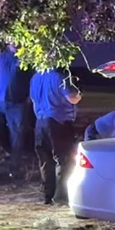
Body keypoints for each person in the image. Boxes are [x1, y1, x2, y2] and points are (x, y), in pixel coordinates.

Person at [0, 45, 34, 178]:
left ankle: (14, 167)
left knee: (17, 135)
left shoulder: (25, 57)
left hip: (17, 103)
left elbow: (32, 79)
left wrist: (28, 98)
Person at [29, 68, 81, 205]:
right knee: (64, 160)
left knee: (45, 161)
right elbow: (73, 98)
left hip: (40, 122)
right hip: (58, 122)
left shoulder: (36, 77)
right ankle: (60, 198)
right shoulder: (61, 78)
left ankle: (48, 195)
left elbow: (33, 99)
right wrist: (79, 92)